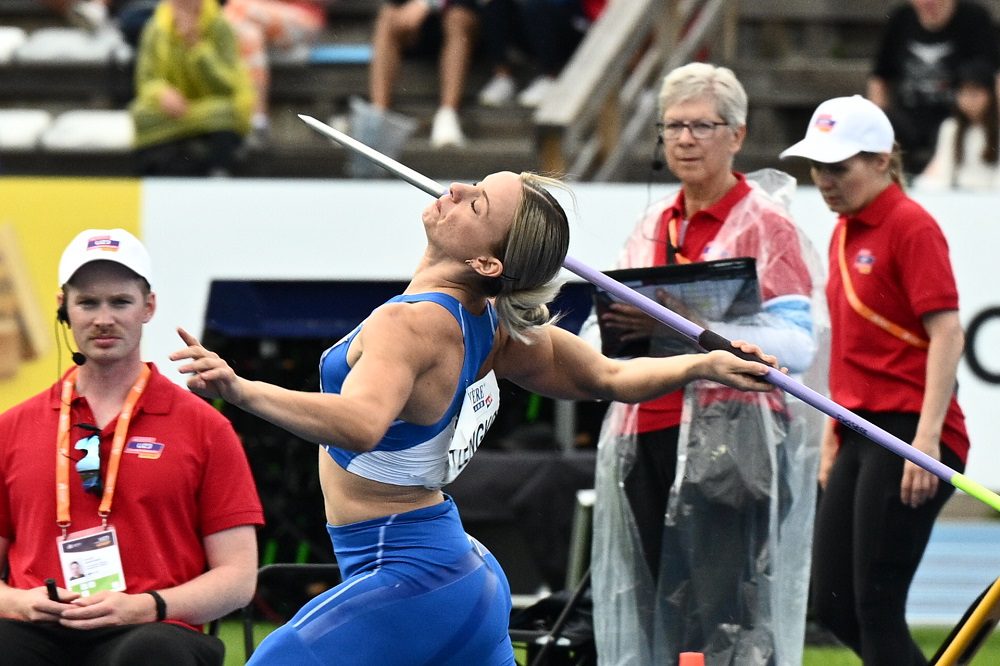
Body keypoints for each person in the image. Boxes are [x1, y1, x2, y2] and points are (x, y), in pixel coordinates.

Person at [169, 169, 783, 665]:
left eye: (478, 204)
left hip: (412, 577)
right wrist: (700, 366)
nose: (455, 190)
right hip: (449, 573)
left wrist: (243, 390)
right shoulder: (490, 325)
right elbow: (609, 376)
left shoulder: (409, 323)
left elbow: (360, 424)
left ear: (489, 265)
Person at [586, 62, 825, 665]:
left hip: (732, 443)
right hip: (645, 431)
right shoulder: (651, 224)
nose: (685, 140)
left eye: (701, 125)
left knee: (724, 611)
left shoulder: (768, 226)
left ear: (737, 135)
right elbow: (601, 328)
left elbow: (798, 343)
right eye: (672, 127)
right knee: (652, 607)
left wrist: (681, 331)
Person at [0, 228, 264, 665]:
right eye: (88, 302)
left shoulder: (205, 427)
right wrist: (19, 603)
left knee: (151, 651)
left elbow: (237, 579)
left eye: (120, 302)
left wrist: (148, 606)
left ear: (149, 307)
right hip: (35, 627)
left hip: (153, 628)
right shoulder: (13, 427)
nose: (104, 318)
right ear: (63, 307)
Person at [780, 94, 970, 666]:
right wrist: (835, 434)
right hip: (861, 430)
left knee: (876, 606)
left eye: (839, 167)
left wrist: (927, 443)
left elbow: (949, 334)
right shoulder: (844, 230)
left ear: (883, 160)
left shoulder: (911, 225)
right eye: (818, 168)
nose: (824, 181)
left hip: (912, 432)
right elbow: (852, 350)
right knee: (834, 604)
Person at [868, 0, 1000, 176]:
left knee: (950, 131)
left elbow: (993, 75)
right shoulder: (901, 19)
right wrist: (877, 122)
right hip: (909, 119)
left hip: (955, 116)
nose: (928, 4)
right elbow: (880, 77)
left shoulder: (974, 19)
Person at [129, 0, 255, 176]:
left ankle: (217, 174)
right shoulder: (156, 27)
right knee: (140, 114)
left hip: (210, 110)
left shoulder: (220, 26)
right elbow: (146, 81)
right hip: (171, 115)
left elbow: (227, 86)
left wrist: (197, 47)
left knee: (227, 111)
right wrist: (161, 93)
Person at [365, 0, 479, 149]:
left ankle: (448, 114)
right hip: (420, 29)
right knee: (388, 16)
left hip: (468, 20)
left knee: (458, 17)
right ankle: (378, 116)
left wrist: (427, 4)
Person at [224, 0, 328, 148]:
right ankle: (254, 121)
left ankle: (252, 117)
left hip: (304, 20)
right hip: (255, 29)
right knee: (244, 28)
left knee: (238, 9)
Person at [476, 0, 606, 108]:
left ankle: (549, 76)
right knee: (495, 4)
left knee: (538, 6)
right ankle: (503, 76)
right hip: (535, 27)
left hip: (579, 22)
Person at [914, 58, 1000, 191]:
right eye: (963, 93)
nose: (968, 100)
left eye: (974, 94)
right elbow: (944, 170)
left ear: (991, 95)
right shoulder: (951, 127)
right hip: (958, 197)